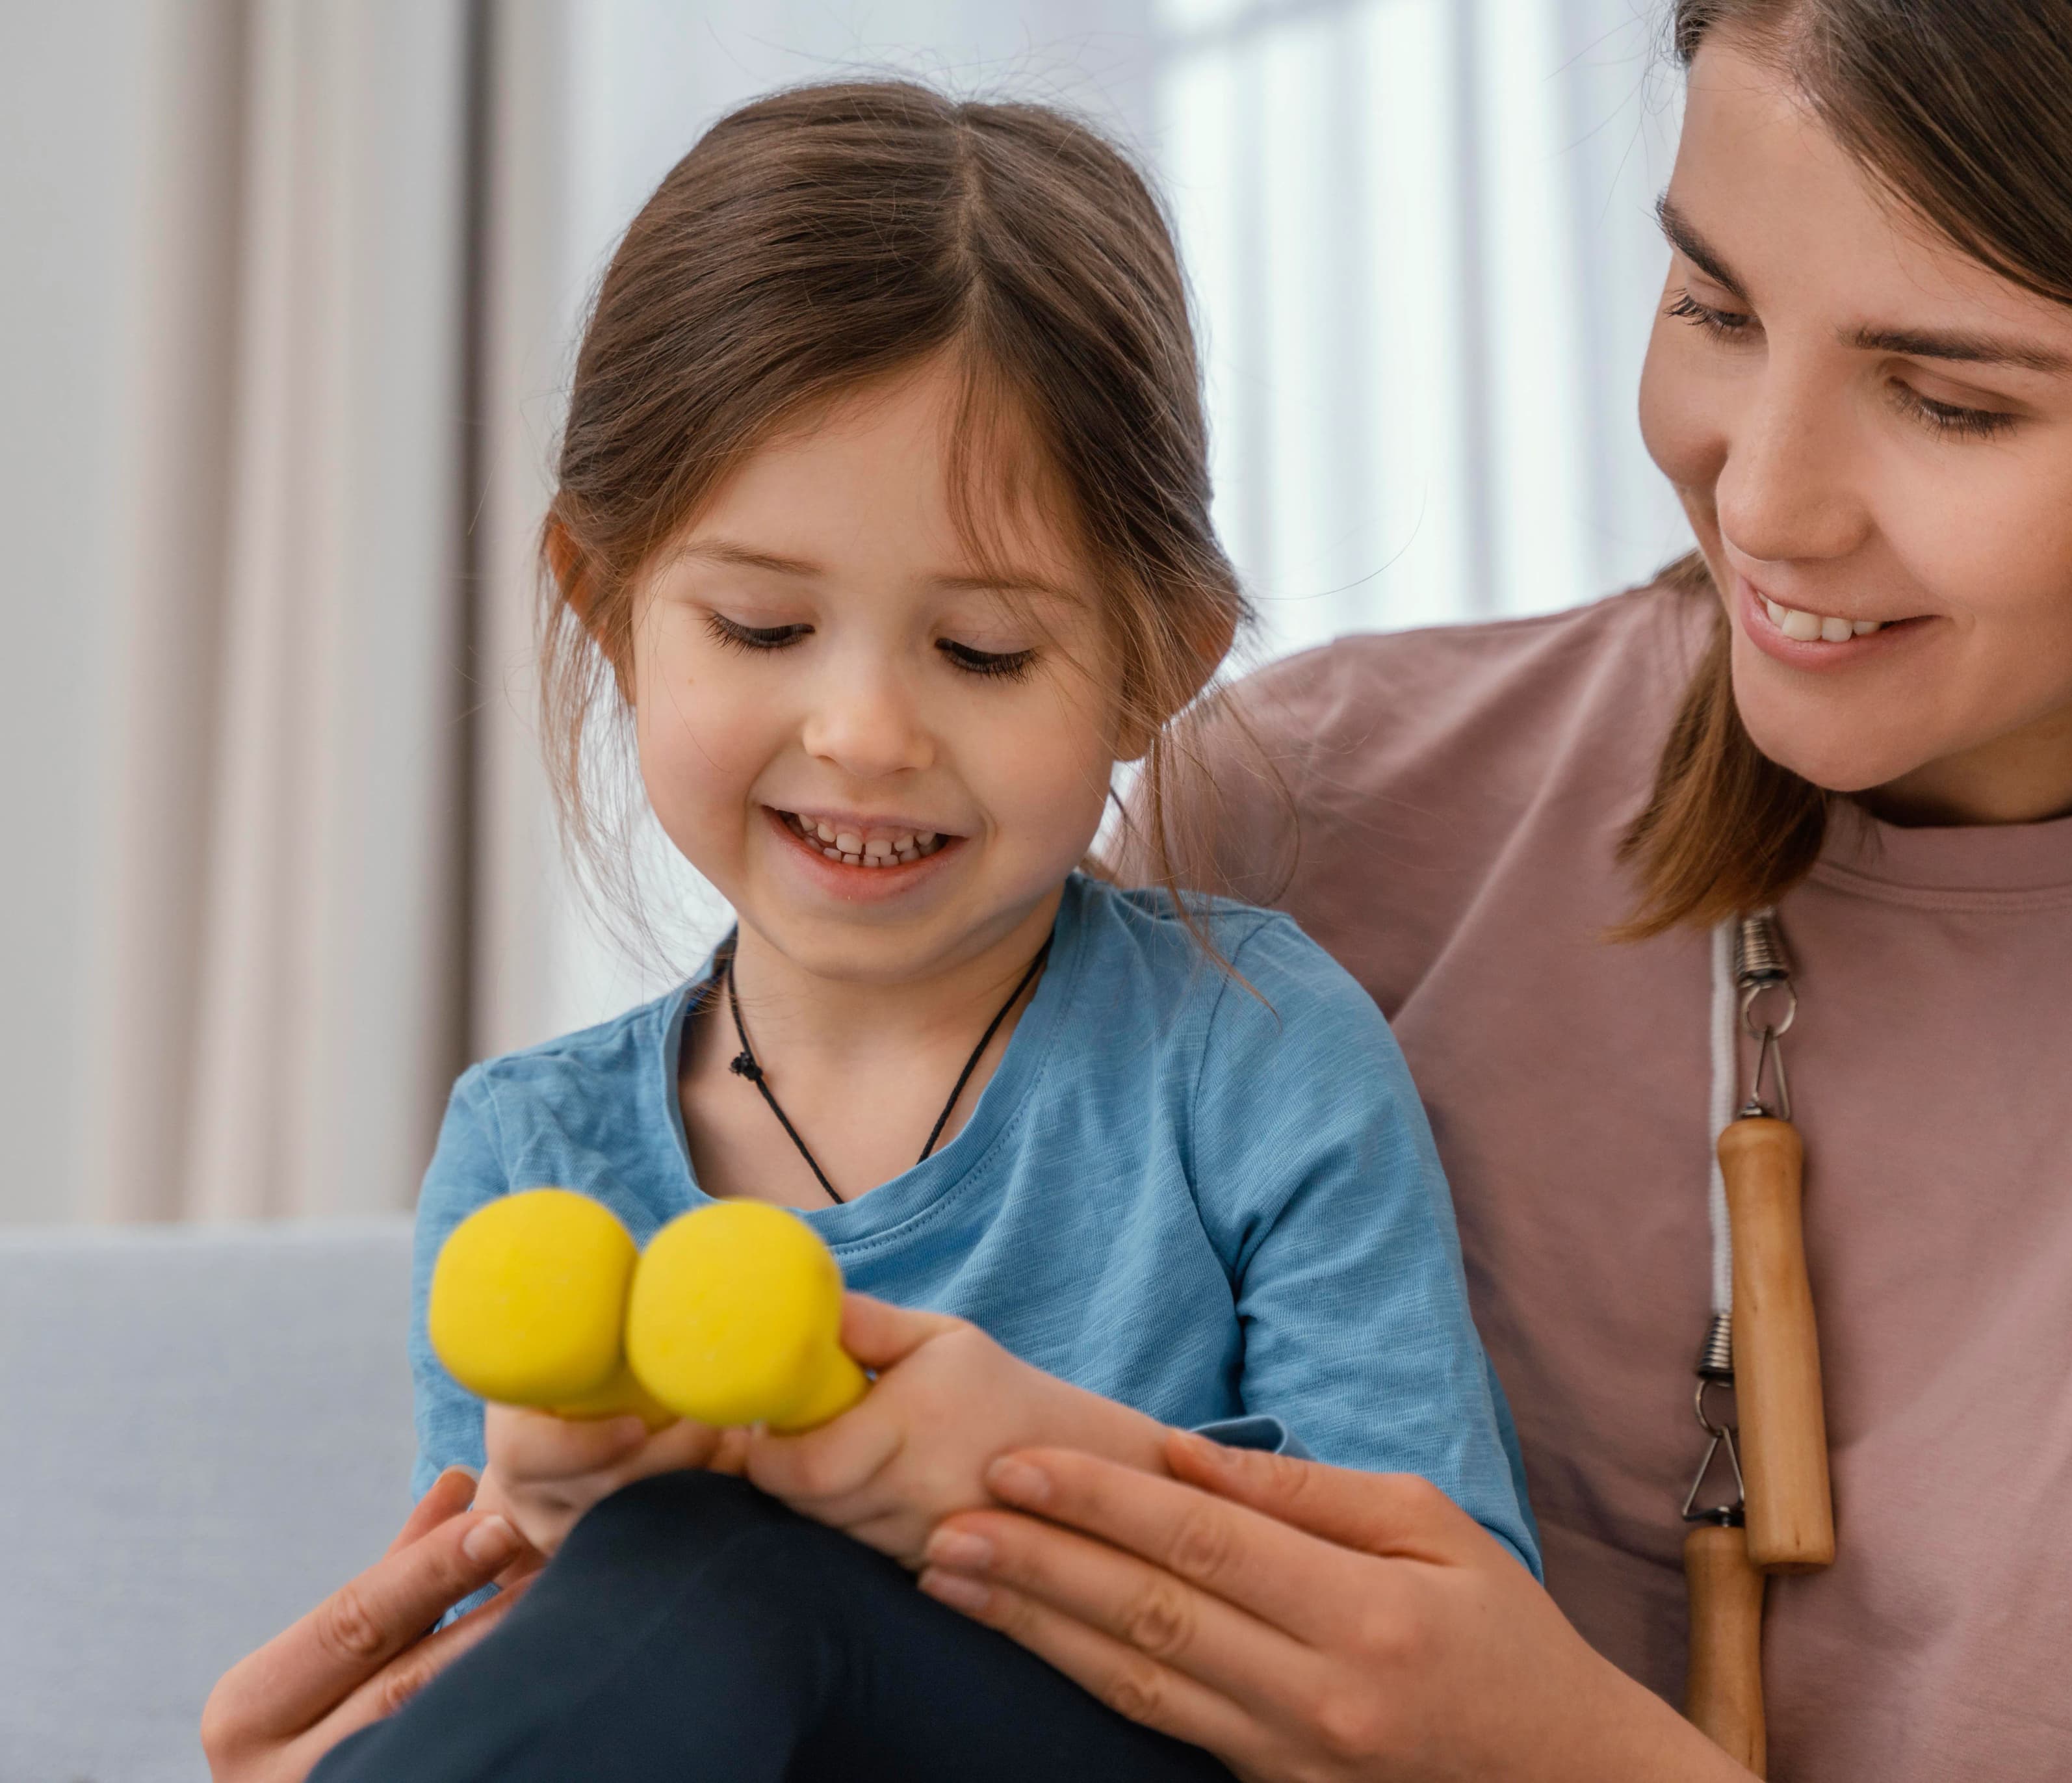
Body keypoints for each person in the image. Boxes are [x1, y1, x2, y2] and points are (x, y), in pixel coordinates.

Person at [213, 0, 2072, 1778]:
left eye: (1955, 399)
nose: (1769, 502)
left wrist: (1524, 1739)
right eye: (1712, 307)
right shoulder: (1301, 816)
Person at [285, 78, 1533, 1783]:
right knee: (658, 1568)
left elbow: (1450, 1647)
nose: (866, 731)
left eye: (984, 654)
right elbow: (491, 1701)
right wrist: (542, 1518)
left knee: (709, 1563)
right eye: (764, 624)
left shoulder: (1244, 1051)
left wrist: (1026, 1471)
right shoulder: (533, 1155)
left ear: (1154, 659)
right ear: (609, 605)